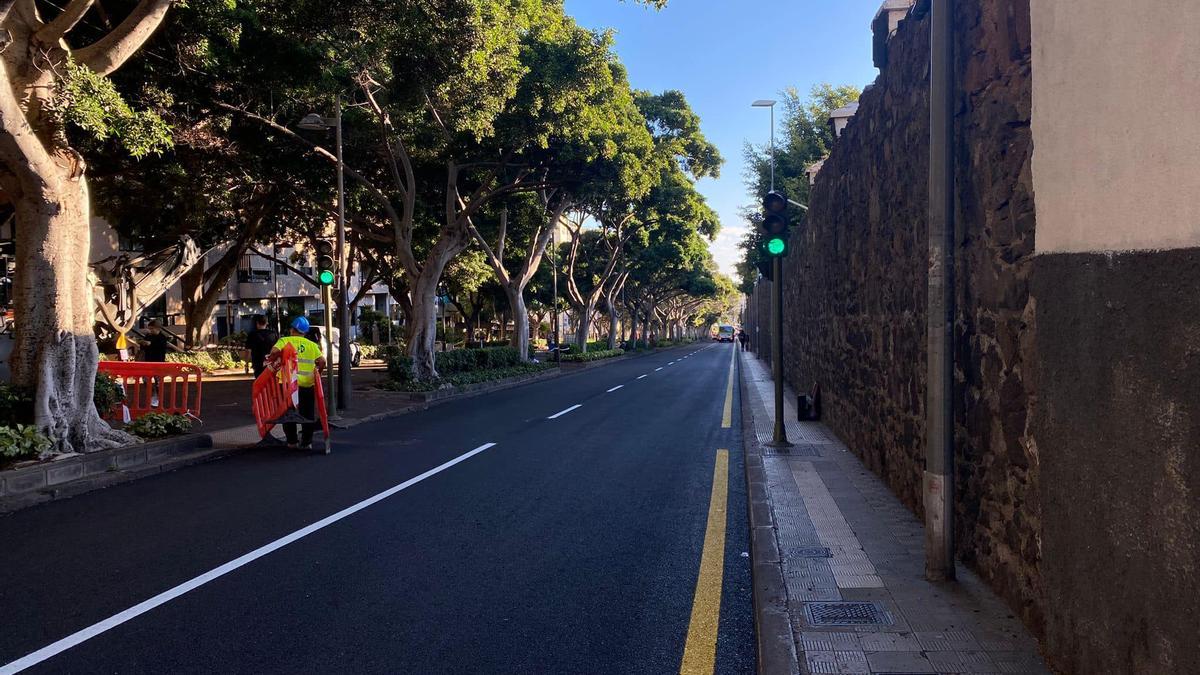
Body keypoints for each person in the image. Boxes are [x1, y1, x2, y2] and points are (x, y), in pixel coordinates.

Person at [270, 316, 326, 450]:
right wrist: (319, 372)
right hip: (307, 384)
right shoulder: (312, 345)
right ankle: (306, 442)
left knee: (288, 413)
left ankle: (292, 442)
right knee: (308, 414)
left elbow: (273, 352)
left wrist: (276, 360)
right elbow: (322, 361)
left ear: (292, 329)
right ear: (305, 332)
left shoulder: (284, 340)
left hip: (287, 385)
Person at [139, 319, 171, 407]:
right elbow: (142, 347)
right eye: (149, 329)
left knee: (158, 382)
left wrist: (150, 344)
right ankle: (152, 395)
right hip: (148, 362)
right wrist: (143, 343)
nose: (150, 330)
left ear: (158, 328)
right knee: (145, 379)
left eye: (152, 329)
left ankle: (157, 398)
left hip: (158, 362)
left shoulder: (162, 338)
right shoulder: (148, 336)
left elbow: (160, 348)